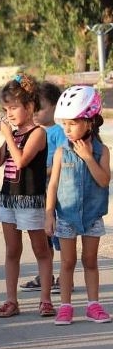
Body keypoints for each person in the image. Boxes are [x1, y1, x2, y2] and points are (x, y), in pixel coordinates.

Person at [0, 74, 54, 318]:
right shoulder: (12, 134)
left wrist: (7, 135)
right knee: (12, 250)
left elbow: (21, 160)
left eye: (14, 107)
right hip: (9, 198)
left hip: (30, 199)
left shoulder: (38, 133)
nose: (10, 113)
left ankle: (45, 299)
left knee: (40, 250)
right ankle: (11, 300)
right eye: (6, 109)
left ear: (29, 106)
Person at [45, 86, 111, 325]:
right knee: (67, 262)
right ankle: (65, 306)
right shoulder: (61, 152)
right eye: (65, 123)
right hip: (66, 216)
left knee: (90, 261)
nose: (67, 129)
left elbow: (104, 181)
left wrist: (88, 157)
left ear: (89, 122)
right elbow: (53, 185)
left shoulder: (102, 151)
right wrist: (49, 214)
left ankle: (93, 305)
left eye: (72, 123)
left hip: (92, 216)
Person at [20, 81, 65, 293]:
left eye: (41, 108)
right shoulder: (34, 131)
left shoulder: (59, 132)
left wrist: (40, 171)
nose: (35, 112)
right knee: (43, 236)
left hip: (56, 192)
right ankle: (45, 274)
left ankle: (65, 277)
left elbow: (63, 162)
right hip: (38, 191)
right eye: (33, 107)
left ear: (55, 107)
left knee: (61, 237)